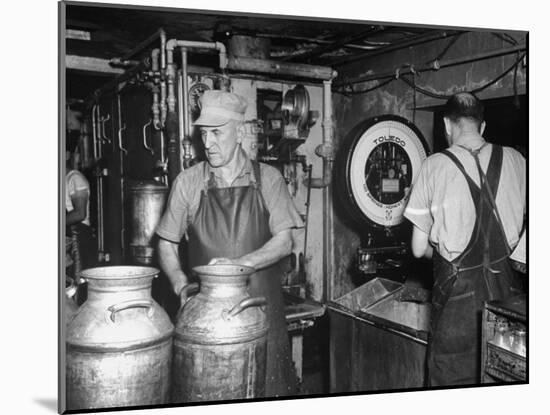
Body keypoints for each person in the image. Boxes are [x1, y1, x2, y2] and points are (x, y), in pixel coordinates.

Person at [156, 90, 303, 397]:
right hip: (210, 323)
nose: (208, 143)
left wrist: (237, 267)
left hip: (262, 315)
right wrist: (180, 284)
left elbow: (285, 241)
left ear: (239, 132)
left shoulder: (269, 179)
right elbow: (167, 242)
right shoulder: (188, 182)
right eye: (204, 133)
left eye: (217, 133)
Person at [403, 92, 526, 386]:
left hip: (455, 302)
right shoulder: (517, 160)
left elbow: (418, 249)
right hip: (508, 296)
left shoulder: (433, 166)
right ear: (482, 127)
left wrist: (449, 255)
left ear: (447, 125)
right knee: (504, 376)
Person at [66, 128, 95, 301]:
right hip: (68, 238)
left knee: (76, 287)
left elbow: (79, 213)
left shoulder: (74, 179)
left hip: (78, 239)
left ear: (66, 154)